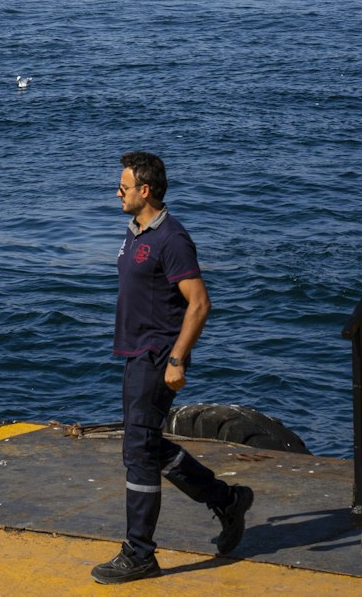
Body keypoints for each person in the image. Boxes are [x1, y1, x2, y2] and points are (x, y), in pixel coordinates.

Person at [91, 150, 254, 585]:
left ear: (145, 190)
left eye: (123, 187)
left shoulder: (172, 239)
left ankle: (139, 552)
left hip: (158, 356)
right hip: (134, 354)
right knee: (144, 444)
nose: (117, 192)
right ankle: (227, 500)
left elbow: (199, 304)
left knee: (138, 452)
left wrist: (177, 359)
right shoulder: (136, 233)